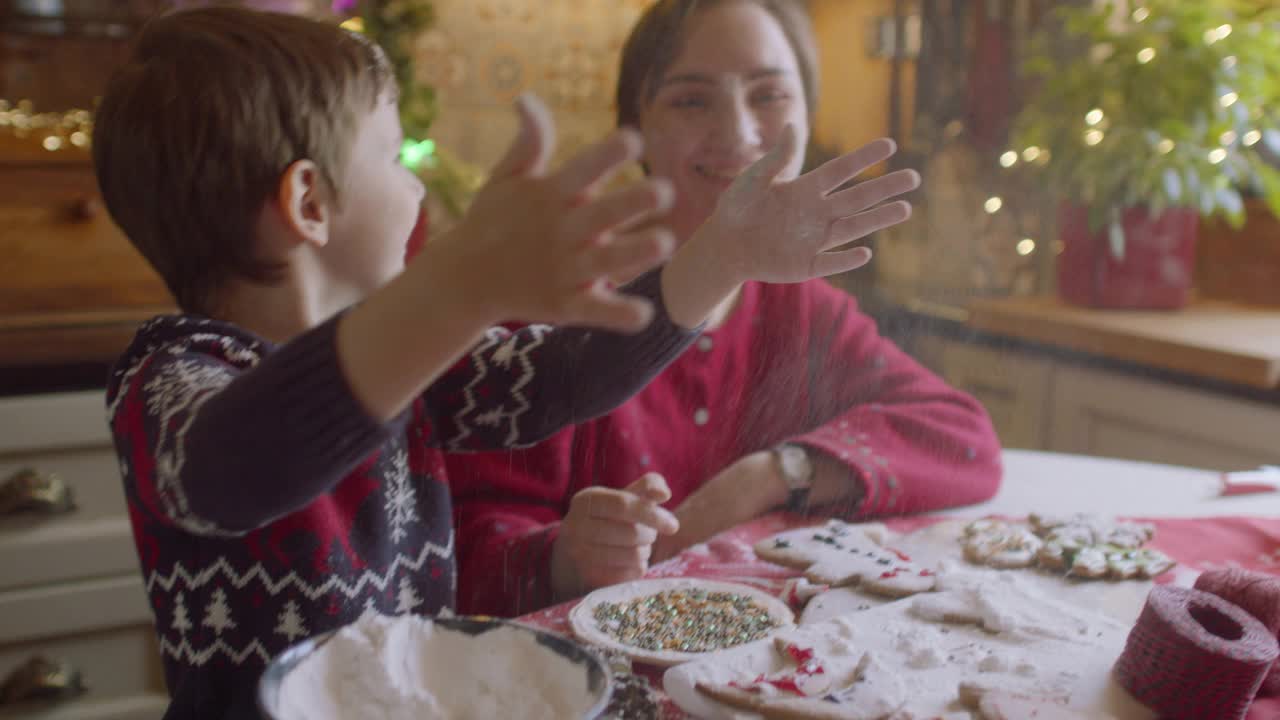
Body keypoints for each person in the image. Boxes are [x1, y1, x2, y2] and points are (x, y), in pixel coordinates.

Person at [96, 6, 917, 718]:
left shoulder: (413, 361)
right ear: (309, 204)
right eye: (395, 157)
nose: (418, 190)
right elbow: (240, 462)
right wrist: (456, 289)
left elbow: (568, 373)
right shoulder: (170, 382)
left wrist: (722, 257)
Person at [448, 0, 1002, 617]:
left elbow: (965, 439)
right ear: (635, 128)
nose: (738, 134)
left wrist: (772, 474)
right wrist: (564, 557)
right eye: (690, 100)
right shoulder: (556, 303)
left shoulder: (800, 308)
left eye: (768, 95)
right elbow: (462, 561)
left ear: (809, 115)